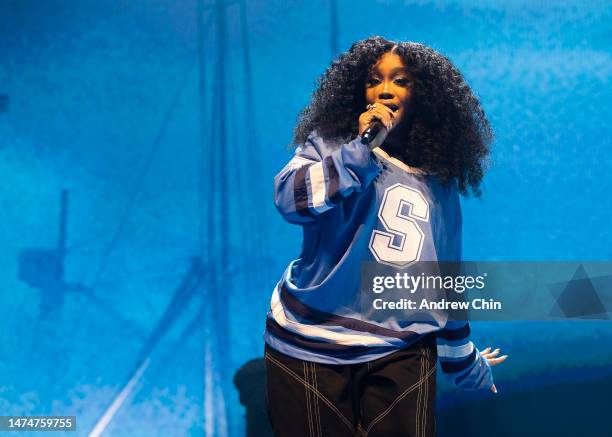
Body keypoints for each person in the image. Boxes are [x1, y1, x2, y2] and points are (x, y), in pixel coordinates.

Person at [263, 36, 508, 437]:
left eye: (400, 80)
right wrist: (361, 150)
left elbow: (444, 279)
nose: (385, 90)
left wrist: (464, 361)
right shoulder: (331, 146)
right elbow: (291, 201)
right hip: (308, 348)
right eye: (375, 79)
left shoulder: (437, 182)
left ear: (425, 96)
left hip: (400, 352)